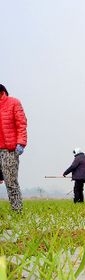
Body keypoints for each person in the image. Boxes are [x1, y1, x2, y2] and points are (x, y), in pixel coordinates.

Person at [0, 84, 28, 214]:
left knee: (10, 182)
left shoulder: (13, 103)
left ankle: (17, 211)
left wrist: (21, 143)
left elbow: (21, 123)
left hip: (8, 149)